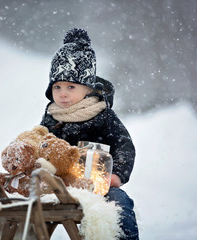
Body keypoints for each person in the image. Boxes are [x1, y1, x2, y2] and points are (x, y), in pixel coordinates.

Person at [40, 28, 139, 240]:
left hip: (97, 186)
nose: (63, 93)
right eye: (57, 87)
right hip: (59, 186)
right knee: (29, 209)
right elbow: (40, 145)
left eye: (71, 87)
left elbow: (124, 146)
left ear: (87, 88)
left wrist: (117, 175)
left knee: (119, 205)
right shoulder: (52, 117)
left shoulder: (102, 115)